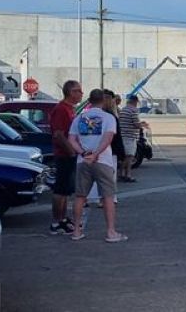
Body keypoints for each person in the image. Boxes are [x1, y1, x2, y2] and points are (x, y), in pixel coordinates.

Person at [69, 89, 127, 243]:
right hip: (103, 161)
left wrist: (83, 153)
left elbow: (72, 139)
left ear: (89, 100)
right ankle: (110, 232)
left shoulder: (79, 118)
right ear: (103, 100)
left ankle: (76, 231)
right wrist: (96, 154)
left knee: (80, 196)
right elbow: (108, 139)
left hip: (83, 161)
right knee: (107, 196)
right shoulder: (109, 118)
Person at [48, 81, 82, 235]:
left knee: (67, 190)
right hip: (64, 155)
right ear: (70, 92)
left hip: (70, 154)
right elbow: (59, 134)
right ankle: (56, 222)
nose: (81, 93)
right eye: (77, 91)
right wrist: (71, 152)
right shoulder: (61, 109)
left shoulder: (70, 109)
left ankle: (63, 218)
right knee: (60, 189)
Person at [118, 94, 143, 182]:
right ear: (135, 101)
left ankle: (122, 174)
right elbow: (136, 124)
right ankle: (127, 175)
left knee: (125, 157)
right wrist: (142, 125)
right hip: (130, 137)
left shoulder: (123, 110)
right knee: (130, 157)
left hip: (123, 136)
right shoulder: (133, 110)